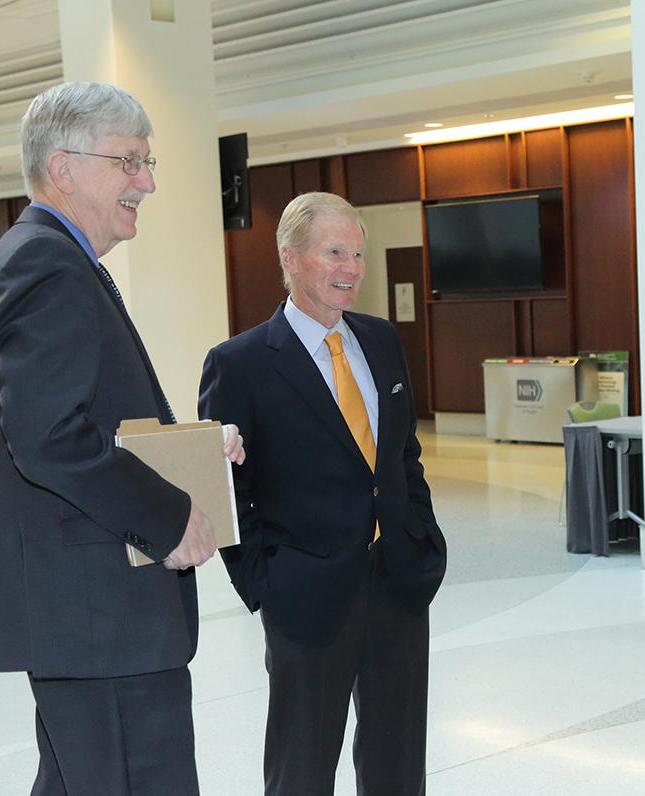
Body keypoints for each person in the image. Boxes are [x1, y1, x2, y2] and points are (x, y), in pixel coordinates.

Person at [0, 82, 244, 795]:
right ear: (64, 167)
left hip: (85, 620)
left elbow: (83, 420)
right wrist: (167, 514)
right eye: (128, 162)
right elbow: (50, 437)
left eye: (146, 163)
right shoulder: (46, 265)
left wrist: (190, 454)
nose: (146, 182)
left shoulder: (38, 257)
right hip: (101, 621)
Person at [198, 192, 446, 795]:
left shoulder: (381, 340)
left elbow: (403, 454)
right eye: (335, 252)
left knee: (397, 763)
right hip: (305, 596)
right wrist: (264, 583)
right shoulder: (241, 363)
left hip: (397, 582)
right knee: (301, 769)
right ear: (291, 257)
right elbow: (228, 489)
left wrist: (421, 536)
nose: (352, 269)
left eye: (358, 254)